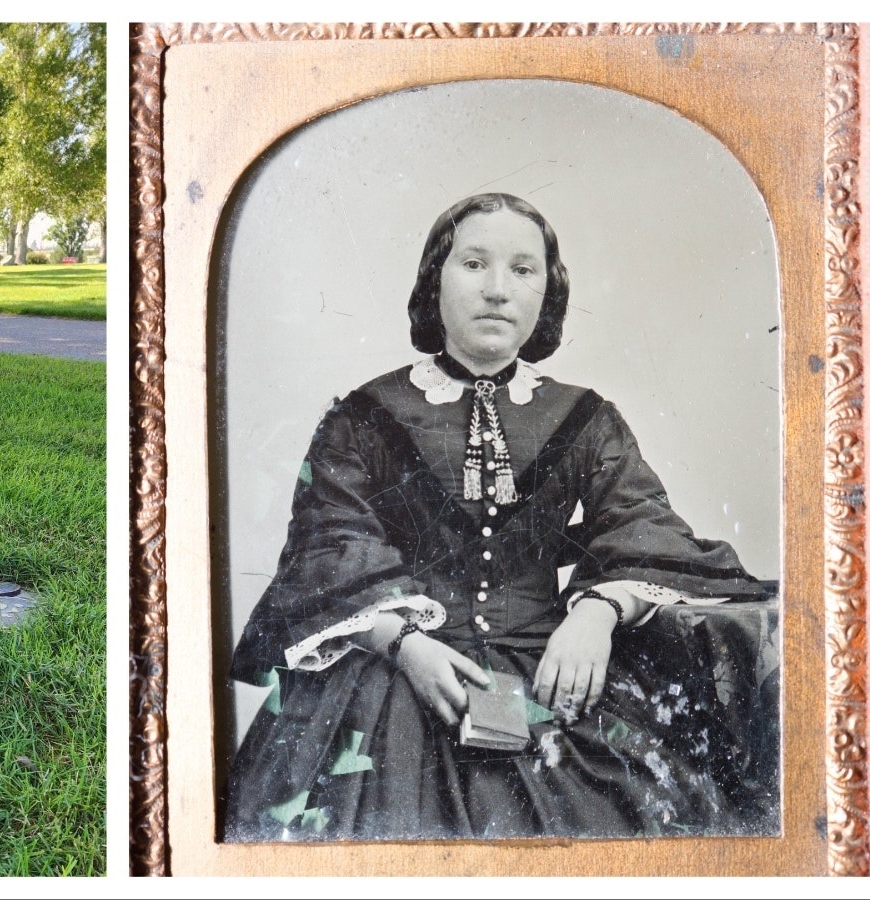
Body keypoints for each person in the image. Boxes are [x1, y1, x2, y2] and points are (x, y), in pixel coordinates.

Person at [223, 193, 773, 840]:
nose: (496, 290)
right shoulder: (362, 417)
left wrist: (596, 613)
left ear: (547, 290)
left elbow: (642, 526)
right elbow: (330, 541)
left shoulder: (587, 418)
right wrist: (404, 644)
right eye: (473, 264)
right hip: (396, 676)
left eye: (522, 270)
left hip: (551, 677)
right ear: (436, 280)